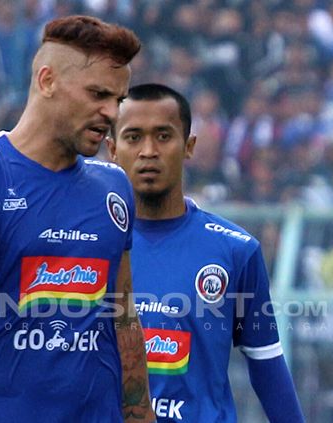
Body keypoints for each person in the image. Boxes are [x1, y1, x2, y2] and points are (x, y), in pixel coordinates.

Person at [0, 16, 154, 423]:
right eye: (98, 94)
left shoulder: (115, 187)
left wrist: (140, 413)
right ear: (47, 80)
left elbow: (123, 315)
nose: (111, 112)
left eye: (118, 99)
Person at [108, 83, 304, 422]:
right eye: (133, 137)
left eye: (164, 136)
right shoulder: (91, 243)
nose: (149, 151)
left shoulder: (235, 250)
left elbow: (266, 365)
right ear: (112, 148)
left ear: (189, 146)